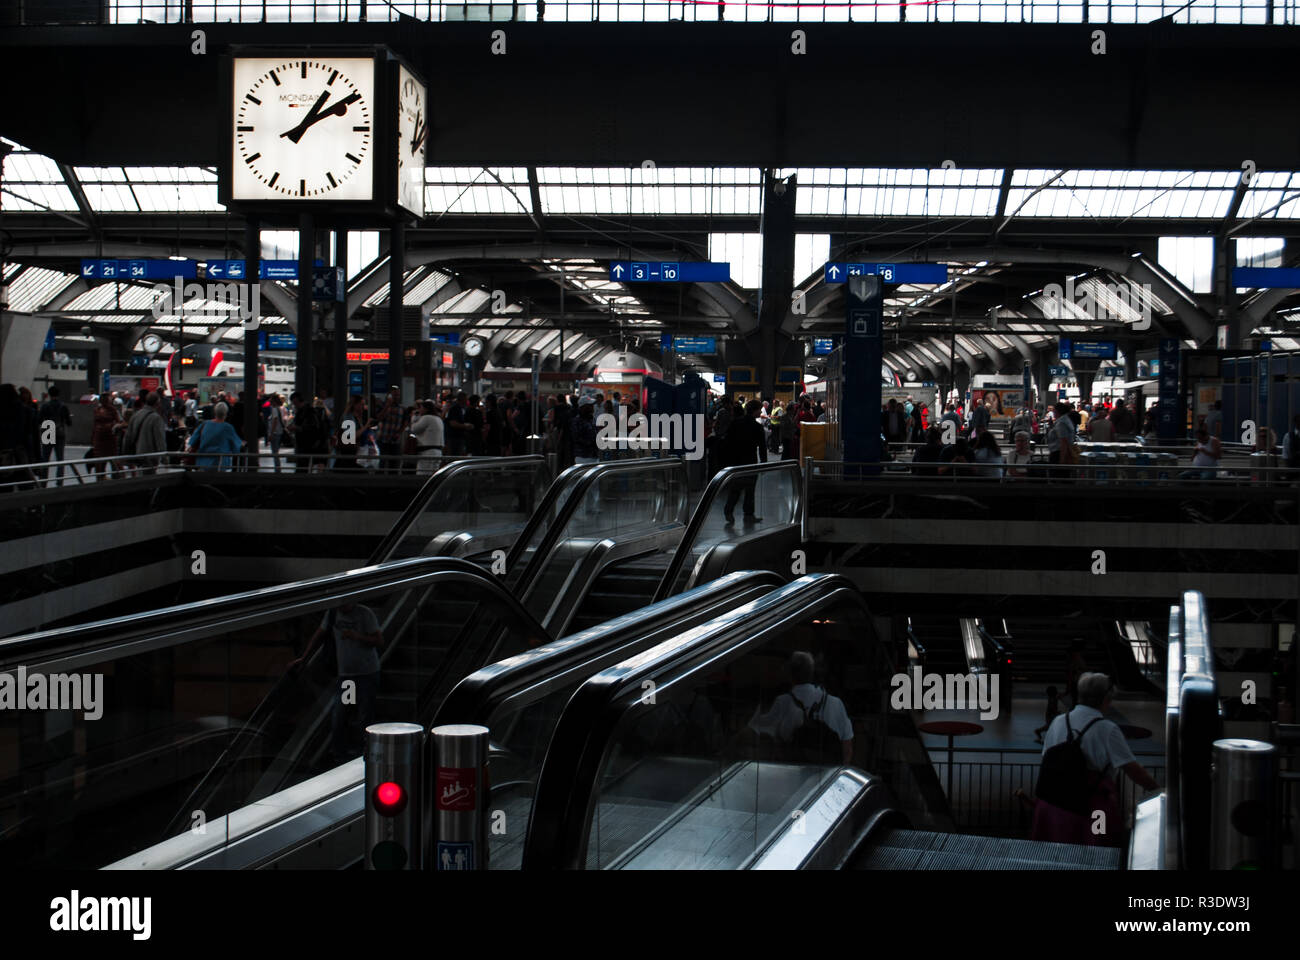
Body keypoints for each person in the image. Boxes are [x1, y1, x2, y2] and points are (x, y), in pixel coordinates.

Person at [1031, 672, 1160, 847]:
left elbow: (1046, 757)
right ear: (1107, 698)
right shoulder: (1107, 729)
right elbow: (1134, 770)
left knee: (1053, 851)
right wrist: (1158, 790)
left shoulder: (1058, 722)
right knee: (1097, 847)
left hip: (1052, 806)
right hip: (1094, 810)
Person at [289, 599, 383, 763]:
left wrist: (356, 636)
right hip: (348, 676)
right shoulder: (332, 614)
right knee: (343, 712)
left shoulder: (364, 614)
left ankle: (363, 751)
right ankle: (341, 752)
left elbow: (378, 640)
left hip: (366, 674)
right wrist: (304, 658)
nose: (342, 607)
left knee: (364, 714)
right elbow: (320, 634)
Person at [748, 651, 854, 764]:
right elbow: (847, 748)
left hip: (791, 773)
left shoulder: (783, 702)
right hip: (828, 774)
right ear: (812, 673)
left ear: (790, 675)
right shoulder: (836, 703)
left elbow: (757, 732)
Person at [721, 399, 767, 525]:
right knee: (750, 489)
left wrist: (727, 459)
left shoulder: (736, 422)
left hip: (736, 460)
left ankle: (728, 510)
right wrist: (764, 464)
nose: (760, 411)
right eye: (759, 409)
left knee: (736, 487)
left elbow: (727, 441)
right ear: (755, 410)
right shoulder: (757, 427)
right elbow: (762, 448)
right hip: (750, 461)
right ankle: (748, 515)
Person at [186, 401, 243, 471]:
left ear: (214, 412)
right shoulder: (228, 428)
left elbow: (192, 441)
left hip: (202, 462)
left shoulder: (204, 424)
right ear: (226, 413)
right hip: (220, 464)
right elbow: (236, 447)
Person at [123, 391, 167, 473]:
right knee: (150, 479)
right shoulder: (156, 418)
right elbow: (160, 439)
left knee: (141, 478)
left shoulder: (136, 415)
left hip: (137, 454)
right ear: (157, 403)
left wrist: (126, 454)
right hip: (151, 455)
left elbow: (128, 436)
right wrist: (164, 457)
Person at [37, 385, 72, 485]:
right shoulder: (63, 406)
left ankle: (43, 481)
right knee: (60, 459)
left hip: (47, 432)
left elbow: (39, 420)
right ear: (59, 394)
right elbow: (69, 422)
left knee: (45, 458)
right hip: (59, 433)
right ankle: (59, 481)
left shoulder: (45, 406)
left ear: (49, 394)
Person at [374, 387, 407, 472]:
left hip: (394, 441)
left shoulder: (401, 408)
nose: (396, 397)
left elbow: (405, 422)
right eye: (394, 395)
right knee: (381, 464)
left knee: (394, 465)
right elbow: (378, 418)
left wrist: (399, 433)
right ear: (389, 395)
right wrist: (387, 406)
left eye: (398, 395)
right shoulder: (382, 405)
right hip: (382, 439)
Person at [409, 399, 445, 475]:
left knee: (423, 474)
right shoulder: (438, 419)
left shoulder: (426, 418)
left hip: (427, 452)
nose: (419, 410)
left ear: (426, 409)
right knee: (434, 474)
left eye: (421, 408)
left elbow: (414, 429)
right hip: (438, 451)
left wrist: (414, 418)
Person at [89, 392, 121, 476]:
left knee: (112, 462)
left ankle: (113, 477)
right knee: (100, 463)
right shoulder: (97, 410)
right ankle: (101, 478)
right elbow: (94, 424)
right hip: (101, 439)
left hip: (108, 439)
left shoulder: (112, 410)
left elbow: (119, 422)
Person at [267, 394, 287, 472]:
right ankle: (278, 468)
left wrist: (271, 433)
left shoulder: (274, 409)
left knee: (275, 452)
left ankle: (277, 469)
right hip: (279, 432)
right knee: (276, 452)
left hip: (275, 433)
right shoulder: (281, 409)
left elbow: (275, 421)